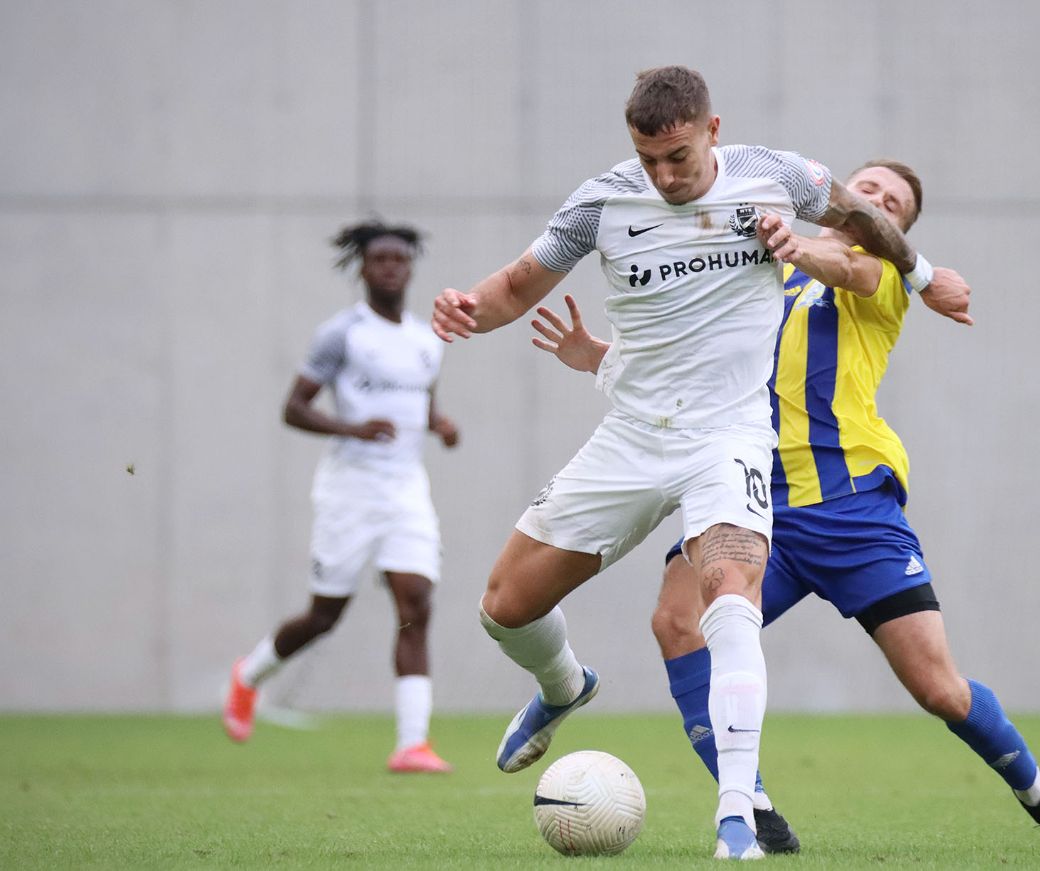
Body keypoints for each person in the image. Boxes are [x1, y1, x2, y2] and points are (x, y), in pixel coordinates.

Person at [431, 65, 966, 860]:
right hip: (632, 436)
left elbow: (860, 217)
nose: (664, 175)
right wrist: (469, 309)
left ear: (713, 131)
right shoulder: (602, 203)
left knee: (729, 595)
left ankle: (737, 819)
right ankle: (564, 685)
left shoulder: (776, 176)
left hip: (729, 437)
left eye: (677, 156)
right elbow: (515, 285)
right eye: (648, 159)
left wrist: (922, 277)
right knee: (503, 606)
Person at [530, 159, 1040, 853]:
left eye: (893, 203)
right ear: (843, 195)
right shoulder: (759, 272)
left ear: (896, 228)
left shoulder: (882, 274)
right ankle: (755, 809)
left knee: (938, 688)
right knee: (676, 621)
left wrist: (793, 243)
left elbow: (848, 268)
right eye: (867, 188)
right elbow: (693, 365)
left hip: (852, 512)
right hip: (753, 496)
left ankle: (1038, 790)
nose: (877, 200)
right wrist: (602, 358)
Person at [222, 219, 460, 775]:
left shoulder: (427, 341)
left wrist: (441, 425)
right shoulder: (342, 334)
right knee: (325, 615)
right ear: (362, 268)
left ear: (411, 268)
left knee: (416, 604)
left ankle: (412, 744)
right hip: (349, 490)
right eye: (379, 259)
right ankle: (249, 676)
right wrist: (353, 429)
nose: (390, 268)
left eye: (400, 259)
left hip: (406, 489)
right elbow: (293, 408)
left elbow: (421, 406)